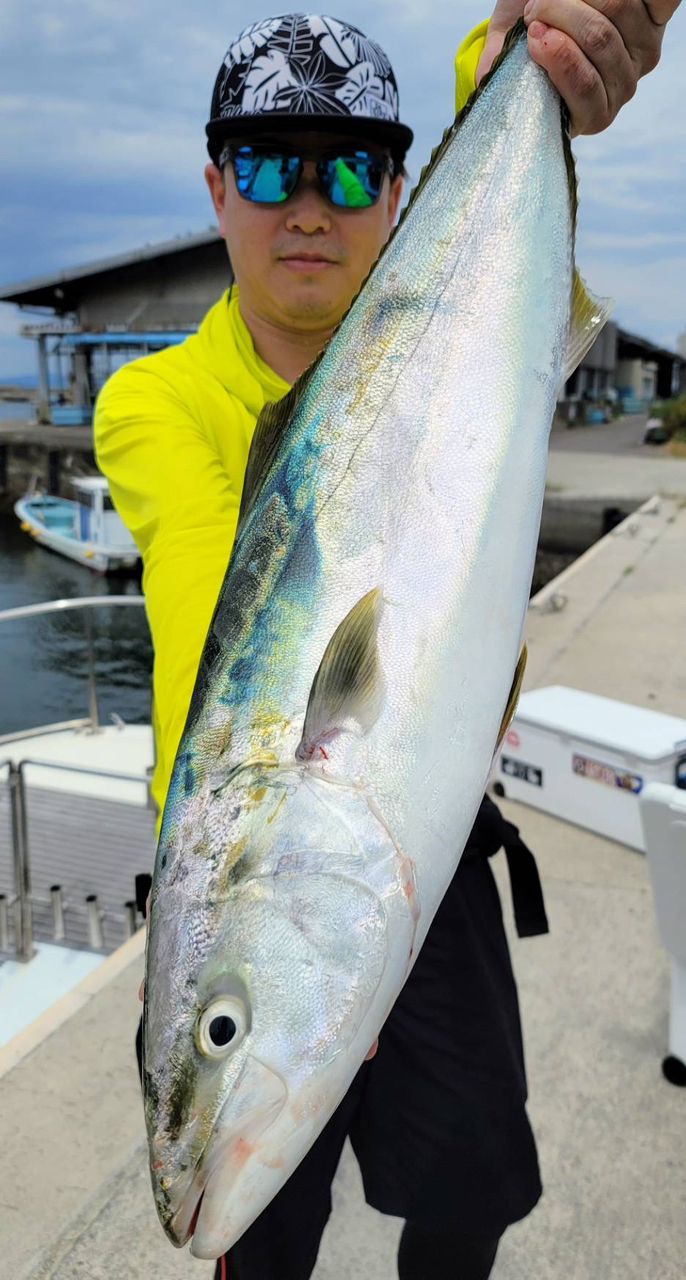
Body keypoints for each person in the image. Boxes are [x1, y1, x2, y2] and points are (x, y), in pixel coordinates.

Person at [95, 6, 678, 1277]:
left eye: (352, 167)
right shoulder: (153, 402)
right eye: (266, 165)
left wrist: (528, 54)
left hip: (432, 845)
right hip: (258, 866)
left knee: (471, 1184)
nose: (309, 205)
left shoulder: (465, 320)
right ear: (214, 183)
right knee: (261, 1238)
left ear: (404, 185)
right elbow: (226, 630)